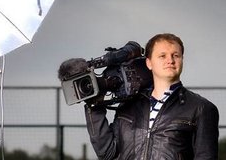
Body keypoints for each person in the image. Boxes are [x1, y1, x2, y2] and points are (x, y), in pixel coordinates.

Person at [84, 33, 219, 160]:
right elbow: (107, 153)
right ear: (149, 63)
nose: (170, 60)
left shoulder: (201, 108)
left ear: (182, 60)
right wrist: (93, 106)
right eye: (162, 56)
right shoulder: (128, 105)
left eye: (176, 55)